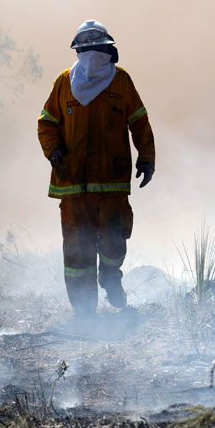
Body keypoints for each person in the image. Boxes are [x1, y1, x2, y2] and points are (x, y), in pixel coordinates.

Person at [37, 20, 155, 318]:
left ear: (109, 52)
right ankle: (84, 311)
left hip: (112, 181)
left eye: (97, 51)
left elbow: (139, 122)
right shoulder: (65, 82)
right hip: (73, 183)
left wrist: (147, 158)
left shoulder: (121, 82)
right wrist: (53, 152)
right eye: (85, 51)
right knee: (78, 251)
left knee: (115, 239)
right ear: (77, 52)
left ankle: (111, 278)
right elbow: (46, 122)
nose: (92, 58)